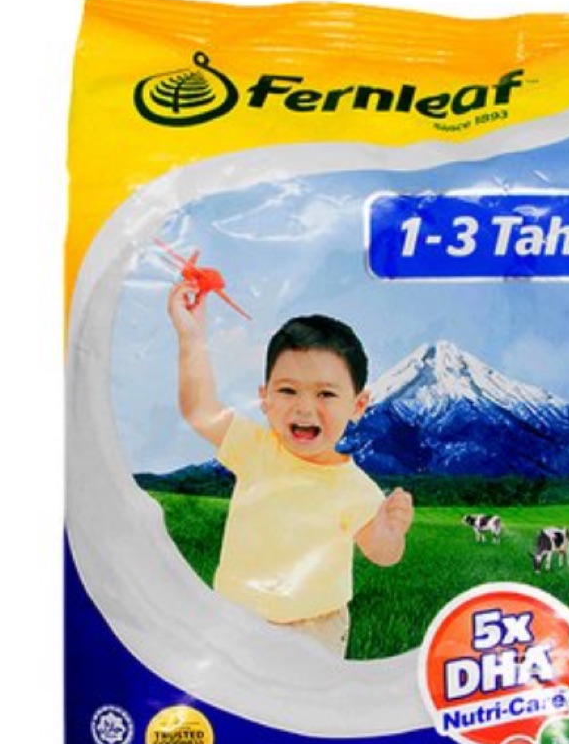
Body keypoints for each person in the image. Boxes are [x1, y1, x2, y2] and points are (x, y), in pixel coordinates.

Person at [168, 281, 414, 656]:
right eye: (287, 390)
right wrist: (191, 337)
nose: (304, 408)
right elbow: (200, 410)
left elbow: (382, 554)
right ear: (264, 397)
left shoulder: (355, 488)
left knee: (307, 694)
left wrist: (391, 531)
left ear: (358, 405)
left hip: (314, 627)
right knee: (233, 690)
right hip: (236, 616)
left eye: (326, 394)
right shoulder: (255, 448)